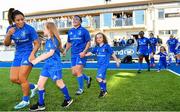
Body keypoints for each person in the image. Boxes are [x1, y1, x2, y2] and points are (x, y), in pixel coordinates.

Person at [30, 22, 73, 111]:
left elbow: (50, 53)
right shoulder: (50, 40)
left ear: (49, 29)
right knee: (40, 84)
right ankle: (41, 105)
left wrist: (36, 60)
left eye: (44, 28)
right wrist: (62, 51)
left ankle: (68, 99)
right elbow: (57, 50)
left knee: (59, 83)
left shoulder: (53, 40)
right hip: (47, 65)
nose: (43, 30)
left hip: (54, 66)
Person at [4, 8, 40, 109]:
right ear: (14, 21)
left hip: (28, 54)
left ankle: (25, 100)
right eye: (18, 20)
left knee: (22, 78)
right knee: (13, 79)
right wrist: (8, 34)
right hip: (18, 55)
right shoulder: (10, 29)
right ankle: (33, 86)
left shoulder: (29, 29)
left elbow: (37, 43)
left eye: (22, 19)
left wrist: (33, 54)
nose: (21, 22)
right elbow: (7, 44)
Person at [63, 15, 92, 95]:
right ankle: (87, 78)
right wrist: (65, 50)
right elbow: (69, 43)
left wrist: (84, 52)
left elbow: (88, 42)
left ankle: (80, 89)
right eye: (73, 19)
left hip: (81, 54)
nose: (74, 20)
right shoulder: (70, 31)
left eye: (76, 19)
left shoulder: (84, 31)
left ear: (80, 21)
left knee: (78, 71)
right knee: (74, 73)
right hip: (73, 54)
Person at [85, 32, 120, 98]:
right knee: (103, 79)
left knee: (98, 78)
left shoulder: (106, 46)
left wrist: (117, 61)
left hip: (104, 65)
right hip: (99, 65)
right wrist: (84, 54)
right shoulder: (97, 47)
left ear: (103, 38)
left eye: (100, 37)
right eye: (97, 38)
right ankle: (105, 90)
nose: (98, 39)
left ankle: (103, 90)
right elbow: (91, 52)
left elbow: (112, 53)